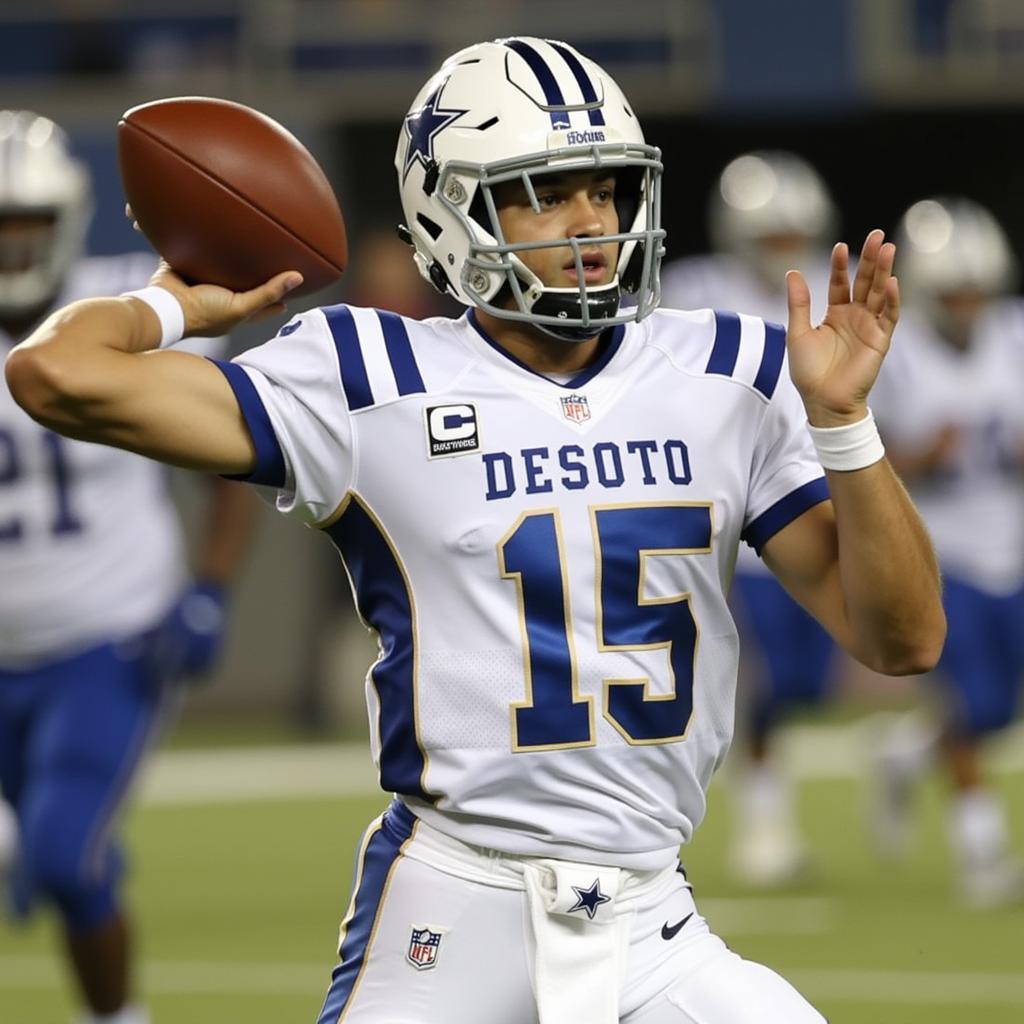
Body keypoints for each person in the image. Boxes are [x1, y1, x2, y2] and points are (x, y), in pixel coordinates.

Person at [4, 39, 944, 1024]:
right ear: (449, 211)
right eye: (546, 193)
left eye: (607, 189)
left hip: (650, 922)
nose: (591, 224)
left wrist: (845, 426)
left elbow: (901, 638)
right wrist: (173, 304)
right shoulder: (366, 374)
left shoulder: (727, 369)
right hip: (448, 908)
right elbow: (53, 374)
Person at [0, 110, 256, 1024]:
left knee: (65, 860)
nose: (10, 248)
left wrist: (210, 588)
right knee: (67, 863)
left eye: (22, 224)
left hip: (104, 640)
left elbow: (236, 455)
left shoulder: (127, 301)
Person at [660, 151, 840, 886]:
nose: (785, 250)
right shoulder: (694, 293)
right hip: (736, 515)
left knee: (804, 684)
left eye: (794, 235)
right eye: (770, 237)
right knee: (754, 683)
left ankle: (767, 815)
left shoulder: (834, 292)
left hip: (811, 506)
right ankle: (765, 826)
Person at [869, 196, 1024, 907]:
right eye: (953, 291)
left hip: (1011, 547)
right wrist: (916, 458)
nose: (967, 304)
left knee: (998, 712)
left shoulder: (1015, 335)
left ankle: (905, 756)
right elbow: (858, 467)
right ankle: (982, 852)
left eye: (976, 290)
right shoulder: (892, 354)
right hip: (938, 555)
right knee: (973, 699)